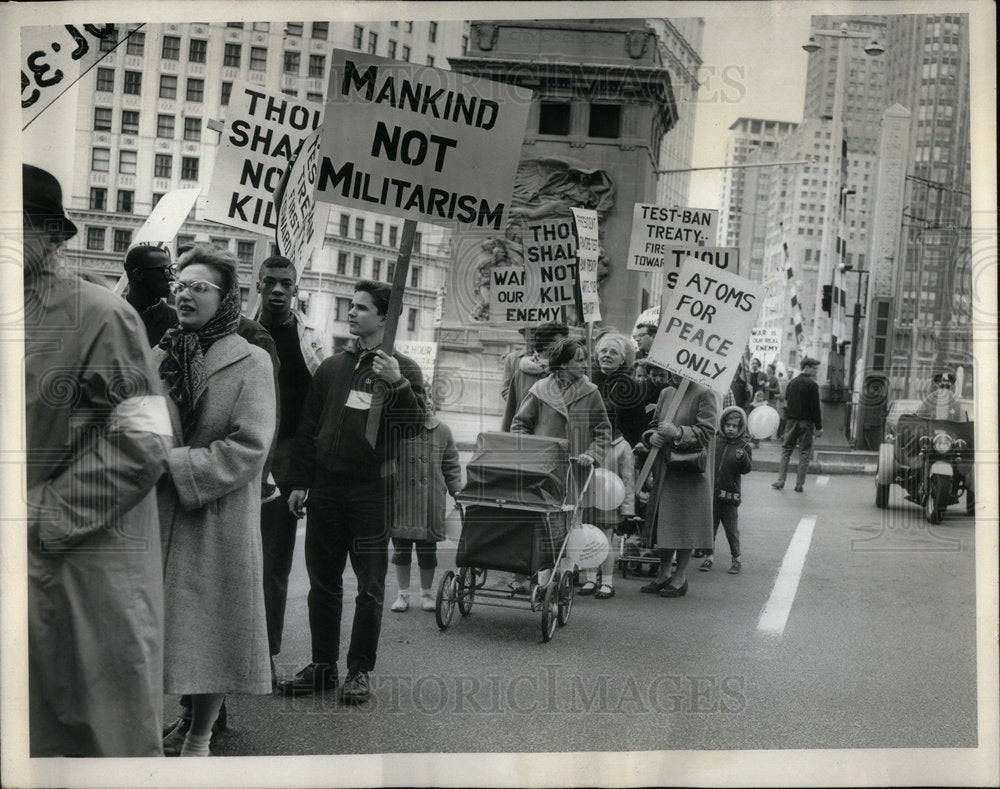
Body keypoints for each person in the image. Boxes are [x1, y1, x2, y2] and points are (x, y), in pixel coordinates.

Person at [23, 164, 173, 757]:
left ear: (50, 237)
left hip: (83, 572)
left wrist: (43, 514)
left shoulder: (101, 315)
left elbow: (144, 439)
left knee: (97, 741)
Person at [279, 280, 426, 704]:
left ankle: (359, 670)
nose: (351, 313)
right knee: (322, 585)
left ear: (385, 317)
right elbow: (309, 429)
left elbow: (415, 426)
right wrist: (299, 482)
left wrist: (396, 384)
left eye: (361, 308)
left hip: (372, 492)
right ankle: (323, 666)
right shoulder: (331, 368)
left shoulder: (402, 368)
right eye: (351, 306)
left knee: (369, 588)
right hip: (325, 489)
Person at [155, 245, 276, 756]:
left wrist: (177, 463)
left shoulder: (253, 360)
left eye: (198, 286)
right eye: (180, 284)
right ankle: (177, 720)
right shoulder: (161, 354)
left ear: (226, 298)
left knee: (213, 626)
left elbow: (251, 445)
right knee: (166, 626)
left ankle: (201, 736)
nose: (184, 293)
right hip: (161, 510)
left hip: (218, 512)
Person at [254, 255, 326, 675]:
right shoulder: (239, 333)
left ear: (295, 289)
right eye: (270, 283)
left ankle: (264, 654)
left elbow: (320, 403)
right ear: (257, 287)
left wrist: (305, 470)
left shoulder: (310, 340)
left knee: (273, 559)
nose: (278, 290)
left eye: (286, 283)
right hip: (244, 451)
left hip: (287, 456)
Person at [511, 338, 612, 592]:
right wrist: (531, 451)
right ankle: (540, 579)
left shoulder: (591, 392)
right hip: (542, 471)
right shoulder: (539, 389)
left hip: (573, 471)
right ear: (563, 363)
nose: (586, 364)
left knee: (569, 526)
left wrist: (593, 453)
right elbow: (520, 425)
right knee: (541, 524)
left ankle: (561, 582)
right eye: (579, 359)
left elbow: (603, 431)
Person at [639, 378, 718, 598]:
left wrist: (678, 432)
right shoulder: (666, 392)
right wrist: (651, 436)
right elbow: (654, 425)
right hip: (666, 466)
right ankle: (664, 574)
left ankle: (680, 576)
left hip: (689, 468)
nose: (669, 374)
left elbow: (707, 431)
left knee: (686, 522)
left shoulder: (705, 393)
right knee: (667, 521)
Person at [389, 394, 463, 612]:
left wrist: (456, 489)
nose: (428, 406)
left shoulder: (443, 431)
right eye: (423, 402)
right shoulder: (398, 428)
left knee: (427, 551)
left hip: (430, 499)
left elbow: (451, 464)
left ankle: (427, 594)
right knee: (401, 550)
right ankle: (402, 595)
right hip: (402, 498)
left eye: (431, 401)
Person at [700, 406, 752, 574]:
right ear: (722, 424)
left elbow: (746, 469)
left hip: (730, 495)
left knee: (731, 529)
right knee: (710, 527)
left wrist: (742, 458)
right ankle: (709, 557)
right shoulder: (715, 440)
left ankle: (736, 559)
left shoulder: (743, 445)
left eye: (735, 426)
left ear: (741, 427)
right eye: (728, 425)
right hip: (712, 493)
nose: (730, 428)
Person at [501, 321, 569, 431]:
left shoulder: (567, 374)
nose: (563, 346)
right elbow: (511, 411)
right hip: (525, 435)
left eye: (565, 342)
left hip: (554, 437)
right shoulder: (520, 374)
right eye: (557, 342)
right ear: (545, 343)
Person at [772, 356, 823, 492]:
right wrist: (819, 426)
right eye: (814, 368)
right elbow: (815, 408)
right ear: (807, 367)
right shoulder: (812, 385)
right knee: (804, 452)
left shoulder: (792, 382)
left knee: (786, 450)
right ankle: (799, 484)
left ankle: (781, 480)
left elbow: (787, 400)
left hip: (791, 421)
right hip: (806, 422)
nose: (816, 371)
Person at [592, 332, 648, 447]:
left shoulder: (630, 385)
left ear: (622, 360)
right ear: (598, 356)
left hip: (616, 446)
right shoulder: (587, 379)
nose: (607, 355)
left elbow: (638, 422)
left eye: (613, 352)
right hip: (588, 442)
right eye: (603, 351)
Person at [124, 244, 178, 345]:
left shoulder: (177, 322)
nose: (172, 278)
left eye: (171, 270)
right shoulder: (111, 315)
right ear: (138, 275)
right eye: (165, 271)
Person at [500, 326, 532, 401]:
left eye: (537, 335)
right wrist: (515, 405)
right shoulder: (512, 358)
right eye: (530, 335)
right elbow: (505, 387)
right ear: (524, 337)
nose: (533, 339)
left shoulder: (546, 358)